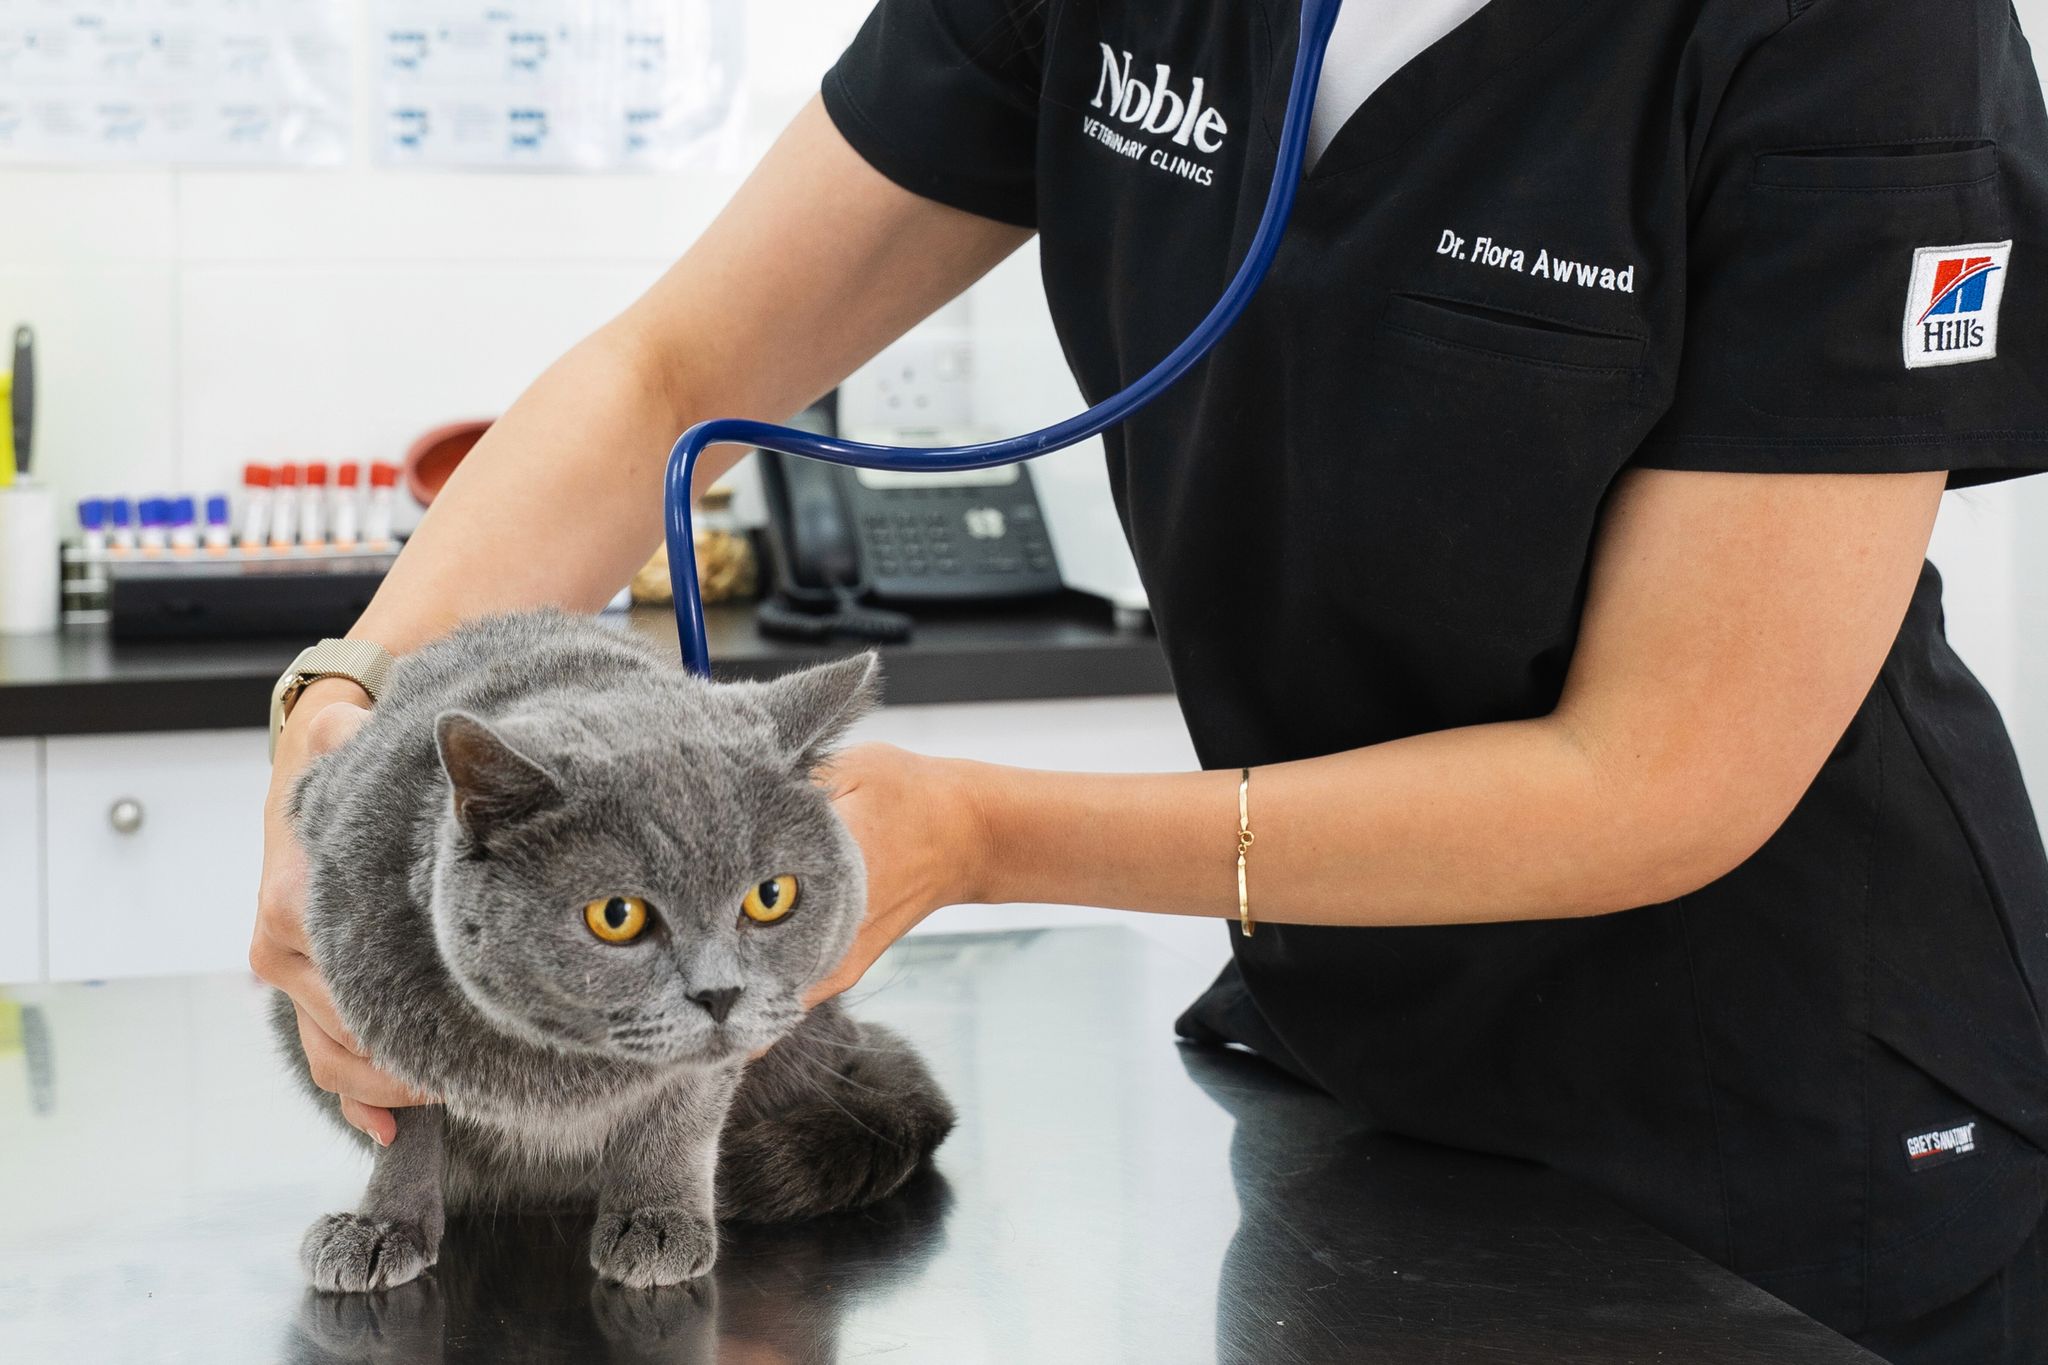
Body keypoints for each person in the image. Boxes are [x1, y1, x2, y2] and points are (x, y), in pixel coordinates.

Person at [250, 1, 2048, 1359]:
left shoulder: (1859, 39)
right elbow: (671, 368)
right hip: (1361, 1082)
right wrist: (345, 723)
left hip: (1794, 1130)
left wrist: (970, 829)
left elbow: (1669, 774)